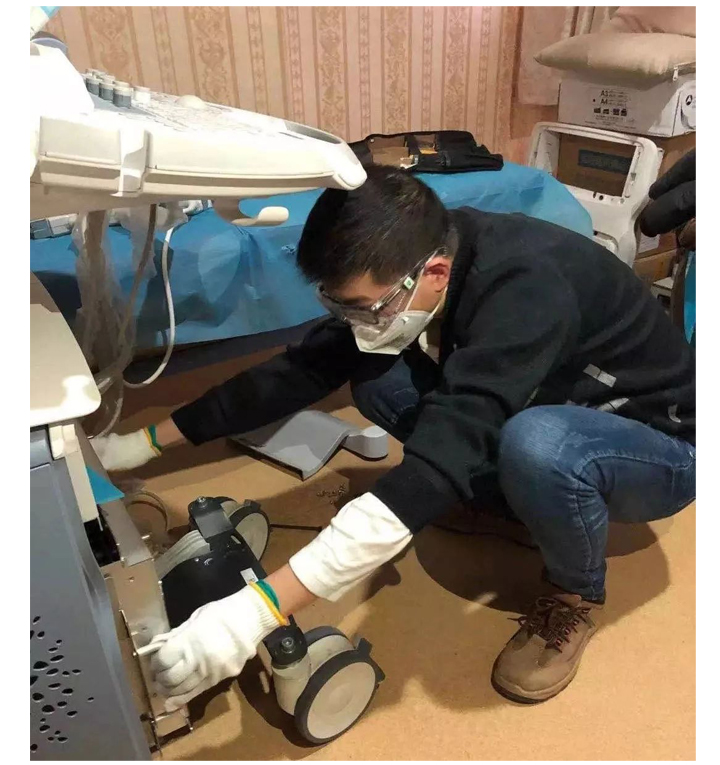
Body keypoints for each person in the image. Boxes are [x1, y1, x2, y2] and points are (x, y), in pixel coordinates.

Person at [93, 165, 695, 709]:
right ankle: (513, 505)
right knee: (380, 379)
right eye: (342, 307)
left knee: (539, 445)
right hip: (554, 398)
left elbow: (458, 431)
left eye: (367, 307)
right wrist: (141, 442)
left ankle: (574, 595)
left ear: (433, 273)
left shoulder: (526, 286)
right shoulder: (427, 247)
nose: (359, 322)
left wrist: (254, 614)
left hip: (659, 442)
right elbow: (299, 370)